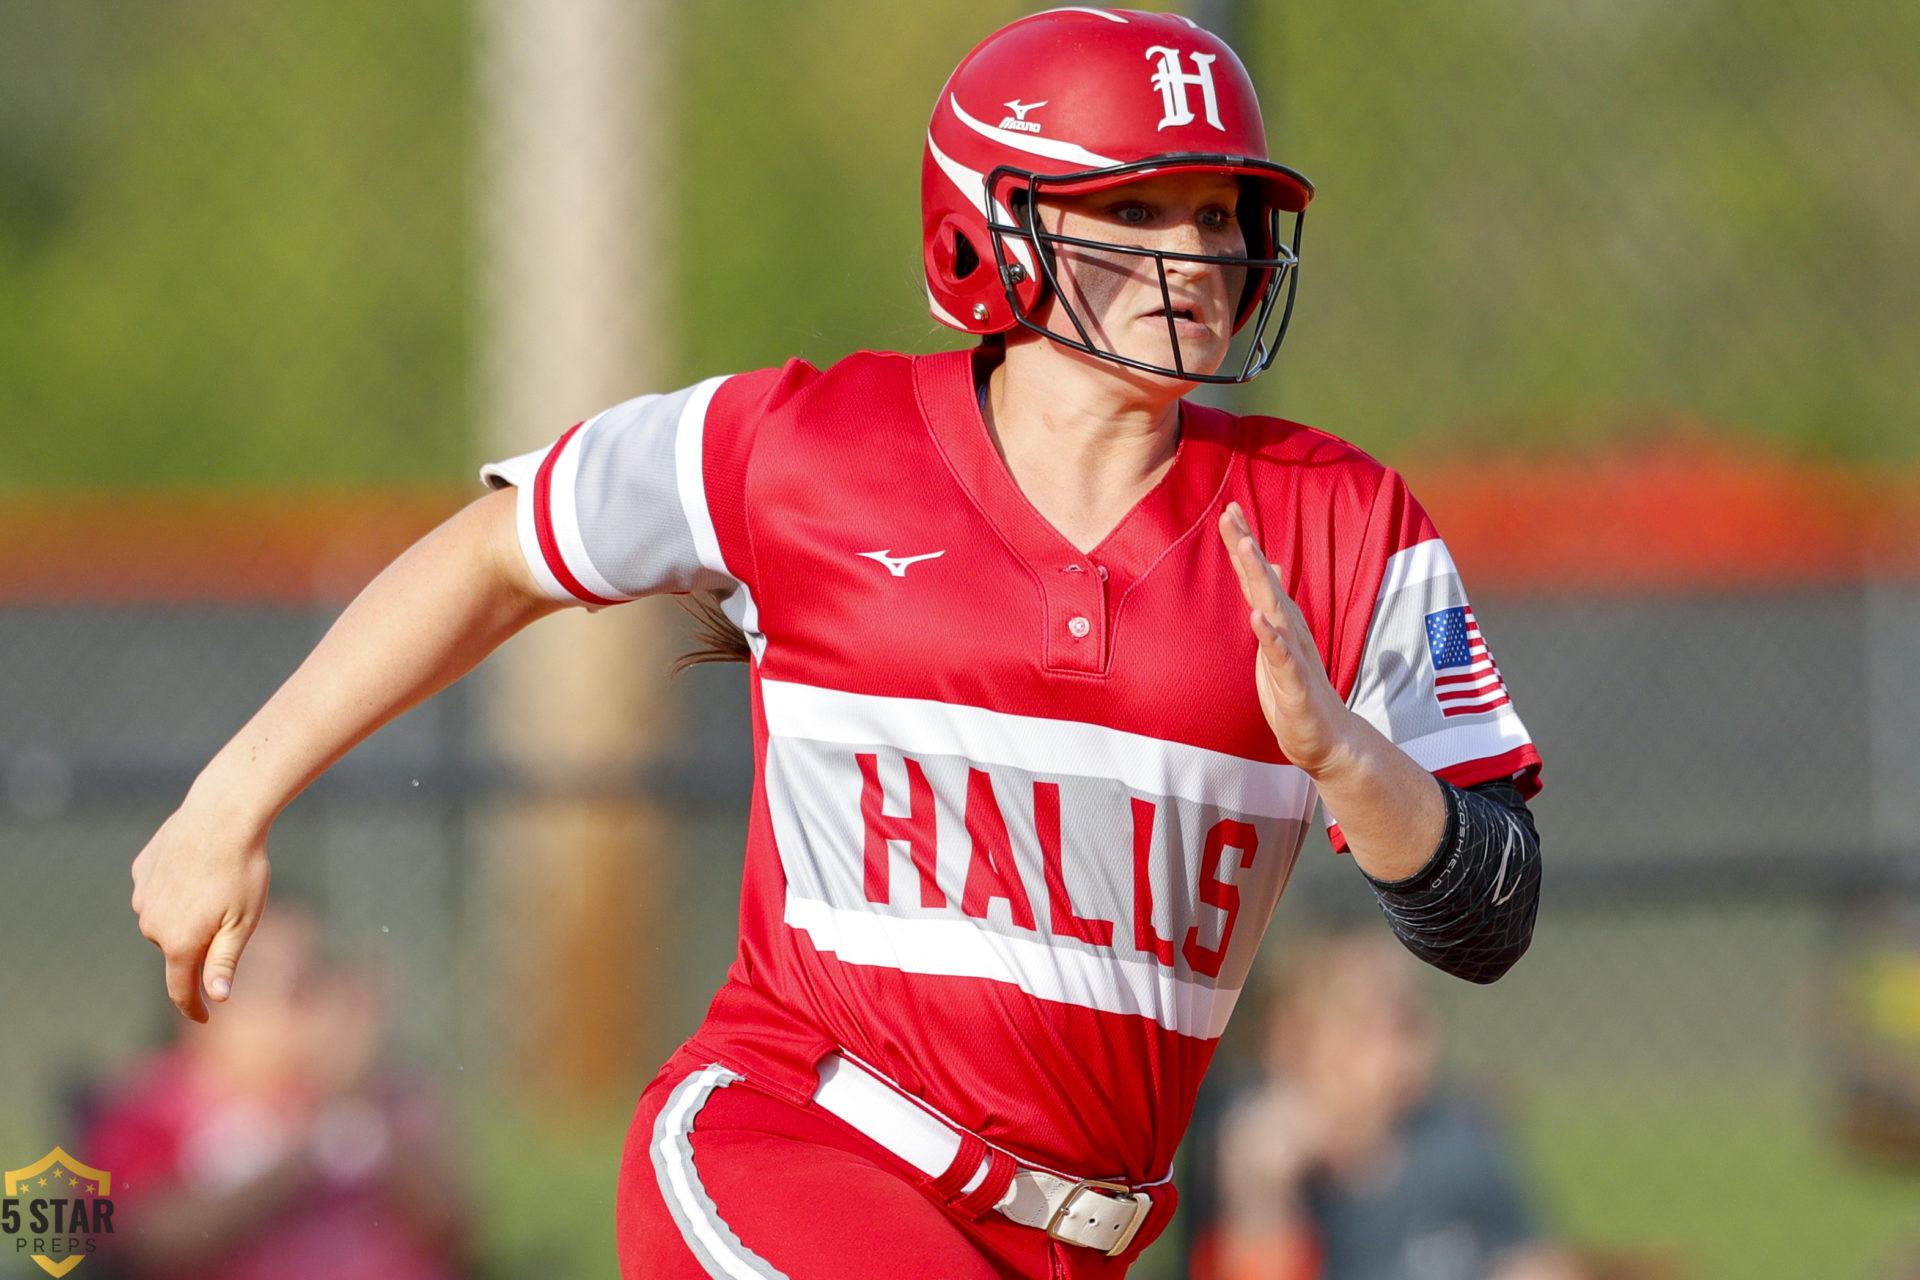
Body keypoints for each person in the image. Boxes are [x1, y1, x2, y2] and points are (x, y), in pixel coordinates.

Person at [128, 10, 1544, 1279]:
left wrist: (1357, 769)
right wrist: (229, 798)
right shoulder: (802, 449)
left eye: (1218, 212)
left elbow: (1491, 920)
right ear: (986, 231)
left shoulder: (1340, 522)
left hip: (1078, 1239)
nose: (1197, 258)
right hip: (795, 1148)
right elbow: (501, 554)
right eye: (1137, 211)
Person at [85, 903, 467, 1280]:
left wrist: (362, 1098)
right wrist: (305, 1148)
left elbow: (453, 1231)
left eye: (324, 978)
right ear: (204, 1002)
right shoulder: (154, 1104)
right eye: (296, 989)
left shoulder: (388, 1092)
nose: (319, 1007)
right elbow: (146, 1242)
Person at [1201, 934, 1579, 1280]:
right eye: (1371, 1026)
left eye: (1412, 1022)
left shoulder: (1454, 1137)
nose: (1412, 1051)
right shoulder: (1255, 1149)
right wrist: (1263, 1194)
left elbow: (1528, 1260)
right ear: (1294, 1041)